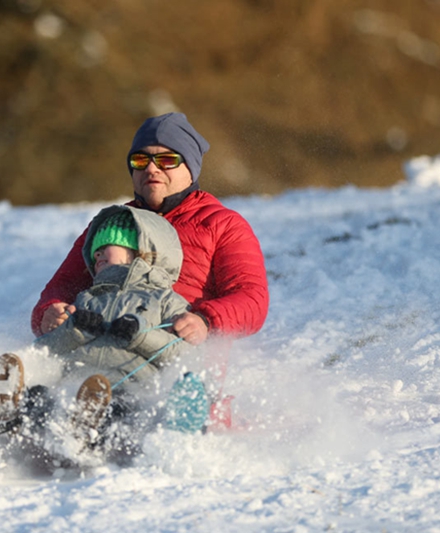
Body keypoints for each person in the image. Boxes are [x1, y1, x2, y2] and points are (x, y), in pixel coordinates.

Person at [30, 112, 270, 425]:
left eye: (167, 159)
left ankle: (184, 422)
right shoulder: (112, 223)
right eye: (141, 161)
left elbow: (251, 299)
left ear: (190, 166)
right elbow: (60, 287)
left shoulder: (222, 225)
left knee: (155, 402)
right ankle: (33, 419)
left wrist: (205, 320)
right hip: (98, 356)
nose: (152, 169)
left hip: (171, 360)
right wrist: (50, 311)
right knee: (61, 386)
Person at [0, 205, 209, 456]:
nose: (99, 256)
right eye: (96, 253)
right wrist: (74, 331)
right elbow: (45, 350)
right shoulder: (87, 298)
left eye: (108, 247)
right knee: (41, 397)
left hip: (128, 389)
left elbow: (182, 354)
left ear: (142, 252)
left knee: (118, 410)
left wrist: (141, 336)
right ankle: (14, 420)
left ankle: (85, 431)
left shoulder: (166, 301)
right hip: (75, 386)